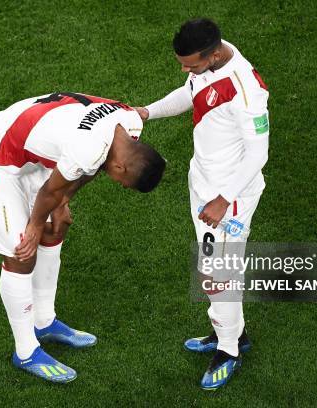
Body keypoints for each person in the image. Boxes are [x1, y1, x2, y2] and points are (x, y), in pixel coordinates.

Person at [0, 92, 165, 383]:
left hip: (30, 151)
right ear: (122, 167)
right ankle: (26, 351)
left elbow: (88, 169)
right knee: (22, 249)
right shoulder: (89, 148)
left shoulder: (129, 124)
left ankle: (44, 321)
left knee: (56, 227)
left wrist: (61, 203)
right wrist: (34, 224)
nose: (121, 187)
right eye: (125, 185)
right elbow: (51, 191)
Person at [135, 18, 269, 390]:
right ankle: (233, 334)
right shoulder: (208, 63)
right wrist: (147, 111)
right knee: (215, 273)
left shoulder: (246, 92)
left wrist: (224, 200)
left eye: (190, 64)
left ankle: (229, 351)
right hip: (206, 187)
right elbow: (190, 93)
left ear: (212, 55)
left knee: (216, 277)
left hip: (229, 200)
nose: (185, 70)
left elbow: (258, 153)